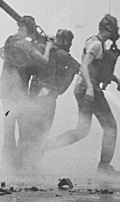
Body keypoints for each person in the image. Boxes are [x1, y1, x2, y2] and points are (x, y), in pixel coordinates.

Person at [45, 14, 120, 177]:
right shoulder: (96, 45)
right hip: (89, 89)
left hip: (83, 89)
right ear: (108, 30)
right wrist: (89, 87)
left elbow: (96, 67)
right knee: (110, 127)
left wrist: (114, 79)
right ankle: (104, 166)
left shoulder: (95, 42)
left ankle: (45, 146)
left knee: (82, 130)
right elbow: (85, 66)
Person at [20, 29, 79, 174]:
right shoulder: (61, 54)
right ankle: (32, 166)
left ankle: (24, 165)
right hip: (47, 98)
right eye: (69, 42)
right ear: (65, 41)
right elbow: (77, 67)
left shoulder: (42, 49)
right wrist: (59, 89)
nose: (70, 45)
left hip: (33, 94)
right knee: (42, 133)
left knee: (29, 132)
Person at [0, 15, 52, 173]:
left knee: (8, 129)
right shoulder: (24, 44)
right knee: (24, 127)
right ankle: (22, 164)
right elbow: (44, 60)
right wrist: (48, 45)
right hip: (18, 92)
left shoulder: (9, 41)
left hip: (6, 90)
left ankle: (7, 164)